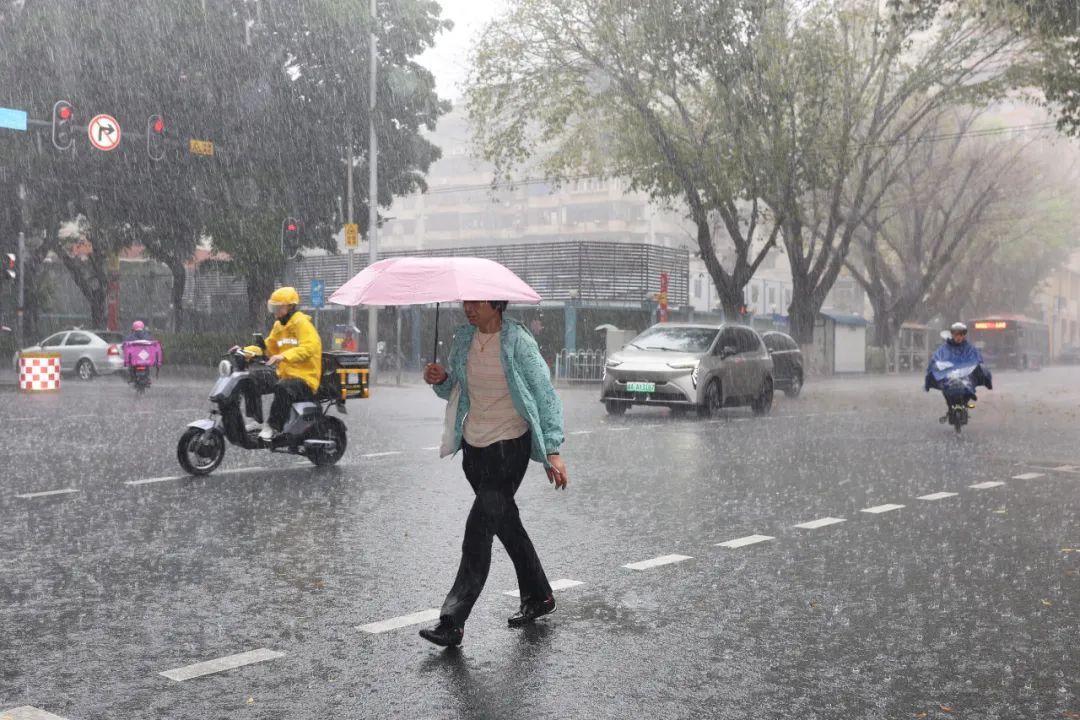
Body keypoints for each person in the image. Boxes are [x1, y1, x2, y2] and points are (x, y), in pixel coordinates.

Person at [419, 299, 569, 648]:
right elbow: (457, 388)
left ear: (496, 304)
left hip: (509, 447)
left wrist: (553, 449)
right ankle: (540, 596)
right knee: (506, 525)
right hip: (474, 449)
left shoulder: (517, 340)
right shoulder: (463, 338)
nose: (468, 308)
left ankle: (452, 621)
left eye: (476, 302)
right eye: (465, 302)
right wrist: (441, 380)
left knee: (478, 531)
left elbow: (545, 394)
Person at [244, 287, 322, 441]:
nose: (275, 312)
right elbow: (268, 348)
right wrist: (245, 351)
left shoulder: (302, 323)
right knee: (250, 379)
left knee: (283, 387)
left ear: (290, 307)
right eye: (273, 308)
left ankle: (273, 426)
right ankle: (256, 420)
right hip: (284, 374)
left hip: (305, 378)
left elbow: (309, 347)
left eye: (278, 308)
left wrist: (283, 356)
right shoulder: (279, 326)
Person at [925, 322, 992, 416]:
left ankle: (966, 400)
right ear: (952, 334)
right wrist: (937, 365)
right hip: (949, 374)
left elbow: (977, 359)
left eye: (961, 334)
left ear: (964, 335)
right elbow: (936, 359)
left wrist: (975, 365)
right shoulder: (944, 348)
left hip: (965, 374)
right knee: (945, 385)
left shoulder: (969, 348)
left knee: (969, 383)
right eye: (956, 334)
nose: (958, 337)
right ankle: (950, 406)